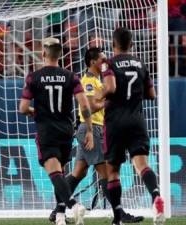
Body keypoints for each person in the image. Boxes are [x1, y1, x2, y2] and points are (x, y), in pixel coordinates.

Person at [48, 47, 143, 224]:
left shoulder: (97, 80)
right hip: (92, 129)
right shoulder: (88, 81)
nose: (105, 62)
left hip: (92, 129)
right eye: (102, 59)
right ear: (92, 62)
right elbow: (90, 107)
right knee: (106, 174)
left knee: (78, 173)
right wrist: (110, 102)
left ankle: (58, 209)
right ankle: (119, 214)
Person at [19, 37, 92, 225]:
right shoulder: (71, 77)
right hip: (66, 130)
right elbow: (84, 104)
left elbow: (23, 108)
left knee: (55, 174)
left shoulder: (33, 77)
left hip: (47, 130)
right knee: (61, 172)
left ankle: (74, 205)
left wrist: (36, 112)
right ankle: (60, 216)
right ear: (60, 55)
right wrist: (89, 129)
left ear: (43, 53)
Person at [96, 27, 164, 225]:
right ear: (131, 44)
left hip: (115, 121)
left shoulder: (107, 63)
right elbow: (152, 95)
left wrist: (97, 96)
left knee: (113, 171)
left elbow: (110, 88)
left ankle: (117, 219)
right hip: (137, 121)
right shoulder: (140, 64)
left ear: (113, 44)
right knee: (142, 166)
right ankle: (156, 196)